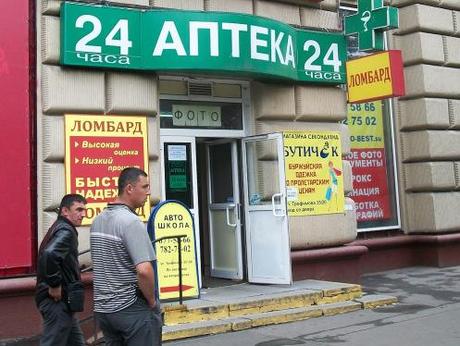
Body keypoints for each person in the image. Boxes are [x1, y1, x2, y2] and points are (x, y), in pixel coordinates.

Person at [90, 167, 162, 345]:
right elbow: (144, 270)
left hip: (104, 309)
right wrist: (152, 301)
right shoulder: (131, 222)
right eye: (144, 187)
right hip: (131, 308)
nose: (148, 192)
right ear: (129, 188)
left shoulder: (98, 220)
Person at [35, 194, 87, 346]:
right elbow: (50, 254)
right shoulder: (66, 230)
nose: (83, 214)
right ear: (65, 211)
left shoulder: (61, 227)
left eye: (84, 210)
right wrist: (55, 284)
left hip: (63, 301)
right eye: (78, 209)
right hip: (57, 301)